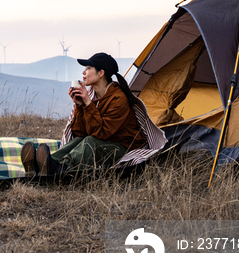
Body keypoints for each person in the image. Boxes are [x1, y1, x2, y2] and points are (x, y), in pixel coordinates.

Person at [20, 52, 164, 177]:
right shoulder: (92, 95)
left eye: (88, 68)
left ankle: (61, 168)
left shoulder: (118, 98)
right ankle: (43, 165)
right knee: (78, 141)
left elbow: (101, 134)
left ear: (101, 73)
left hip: (122, 147)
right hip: (103, 142)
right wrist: (79, 105)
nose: (84, 72)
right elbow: (79, 132)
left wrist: (88, 104)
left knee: (90, 142)